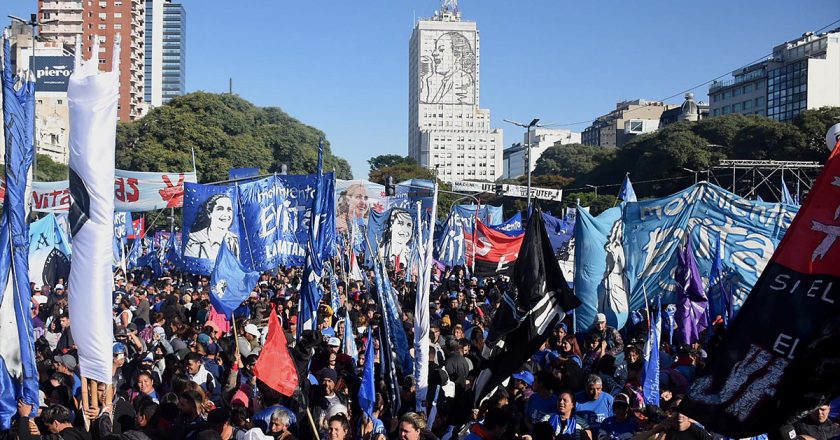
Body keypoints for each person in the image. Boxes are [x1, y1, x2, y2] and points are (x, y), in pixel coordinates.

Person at [185, 193, 239, 260]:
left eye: (229, 209)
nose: (226, 214)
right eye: (220, 209)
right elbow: (191, 265)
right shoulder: (196, 239)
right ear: (209, 213)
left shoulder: (234, 239)